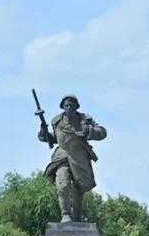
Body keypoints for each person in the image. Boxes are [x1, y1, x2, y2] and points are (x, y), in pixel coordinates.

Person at [39, 94, 108, 222]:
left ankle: (77, 218)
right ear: (62, 107)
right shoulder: (57, 121)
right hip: (62, 155)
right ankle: (65, 214)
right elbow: (55, 138)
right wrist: (44, 134)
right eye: (66, 105)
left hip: (79, 156)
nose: (69, 107)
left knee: (79, 188)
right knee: (62, 184)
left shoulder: (85, 119)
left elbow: (102, 132)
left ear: (76, 106)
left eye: (71, 105)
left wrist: (88, 131)